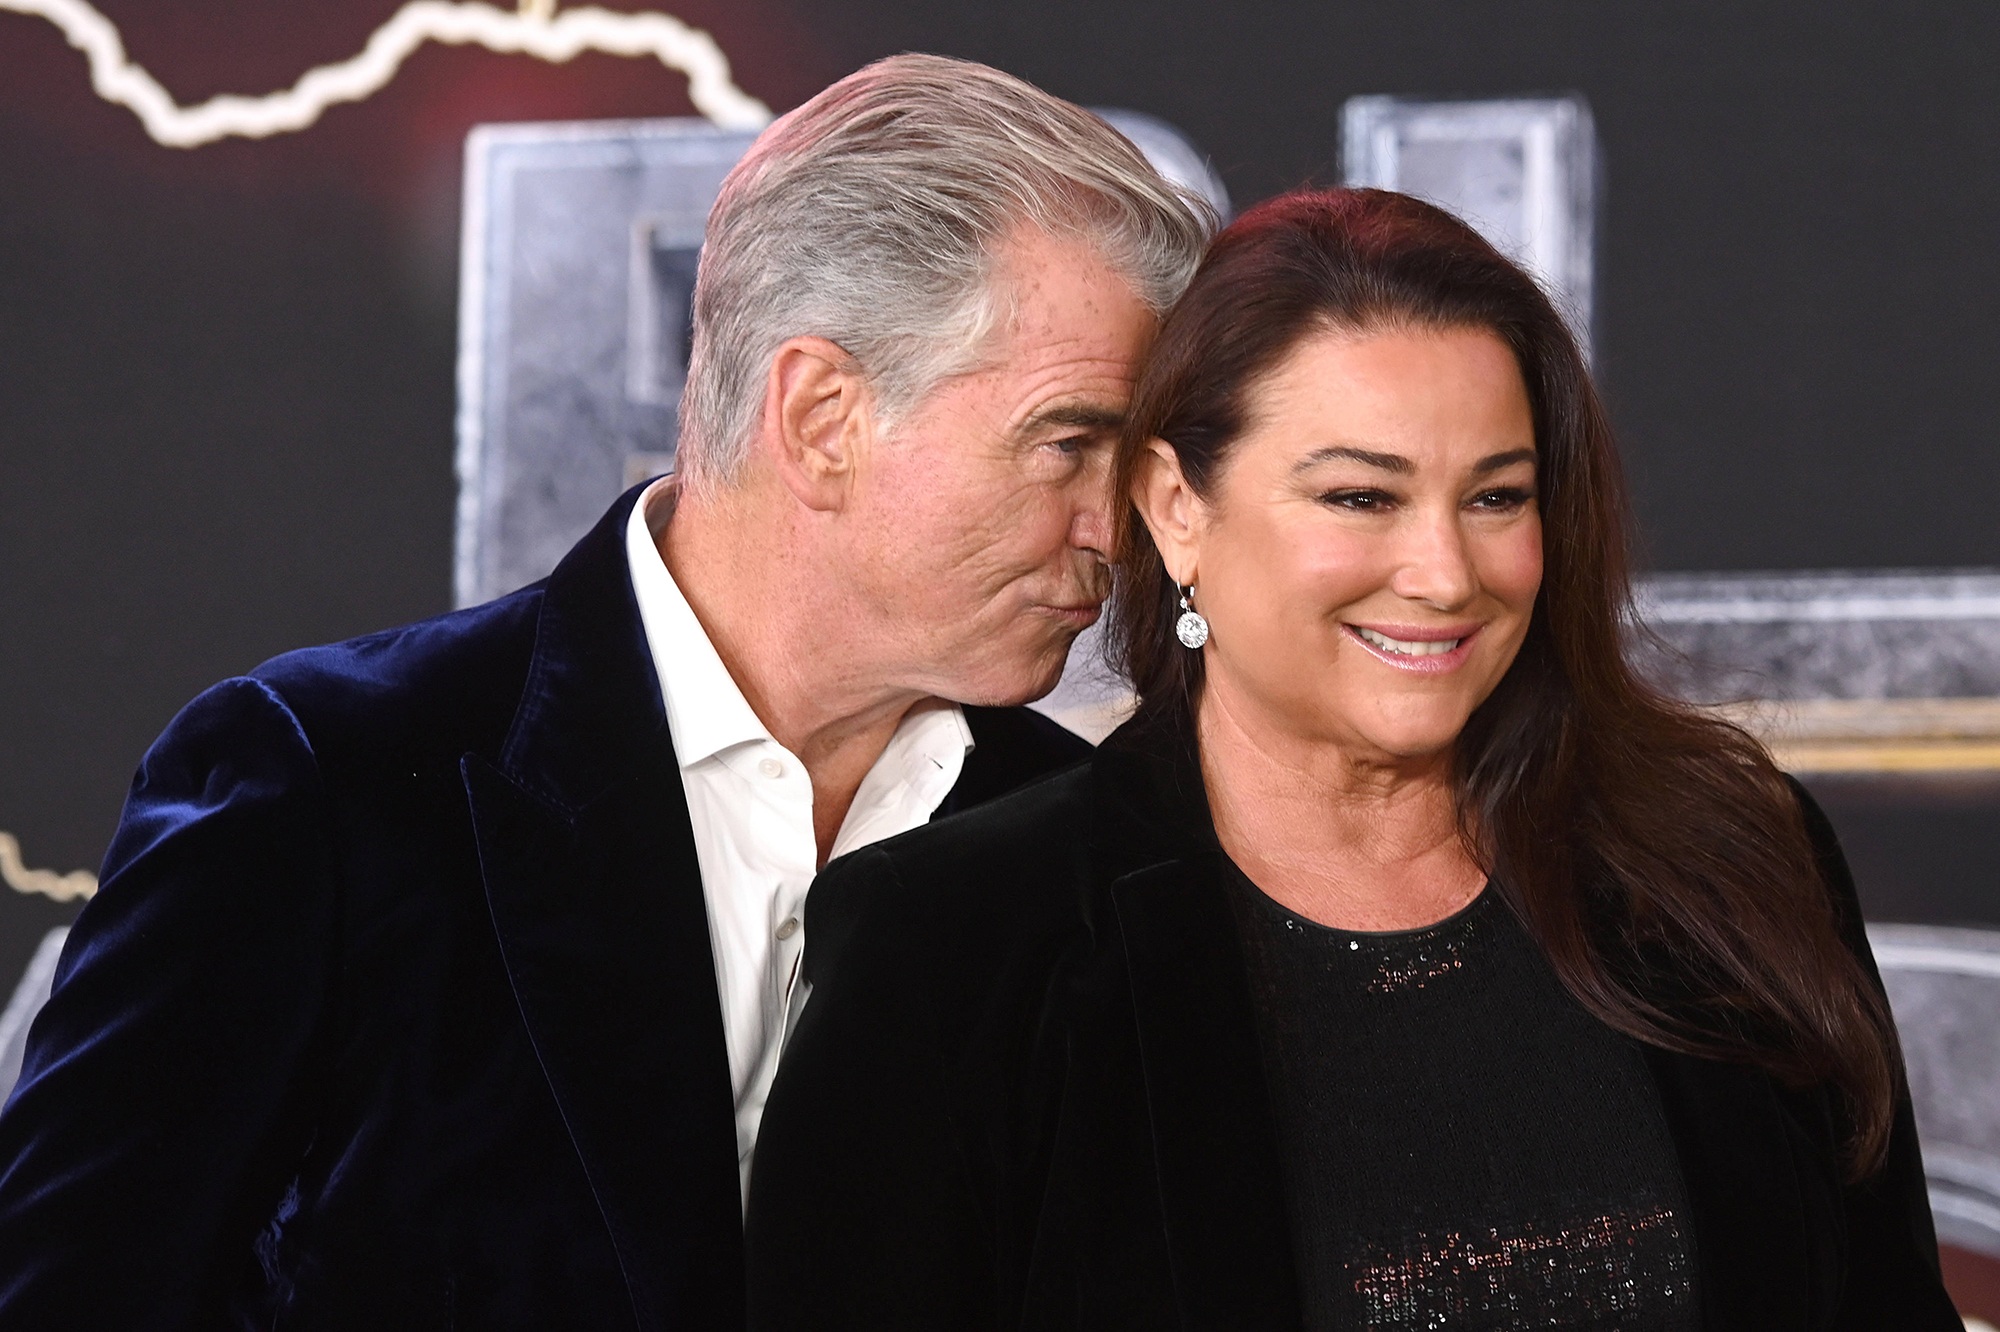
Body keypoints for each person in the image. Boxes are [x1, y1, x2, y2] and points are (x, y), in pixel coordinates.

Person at [0, 56, 1210, 1328]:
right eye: (1071, 442)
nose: (1116, 525)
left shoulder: (1097, 851)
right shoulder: (322, 787)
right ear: (820, 415)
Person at [744, 189, 1962, 1330]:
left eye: (1494, 498)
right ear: (1175, 508)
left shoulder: (1728, 864)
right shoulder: (955, 947)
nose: (1443, 574)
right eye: (1358, 499)